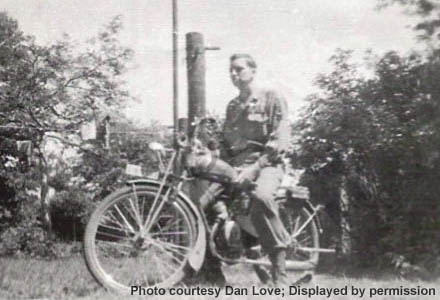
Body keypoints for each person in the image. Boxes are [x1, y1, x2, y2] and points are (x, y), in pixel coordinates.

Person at [220, 53, 293, 286]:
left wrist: (254, 169)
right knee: (205, 196)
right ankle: (209, 271)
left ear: (253, 71)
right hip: (237, 166)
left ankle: (280, 275)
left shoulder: (272, 97)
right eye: (231, 70)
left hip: (267, 164)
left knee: (261, 197)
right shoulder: (232, 106)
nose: (234, 74)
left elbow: (279, 140)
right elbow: (225, 143)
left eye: (239, 69)